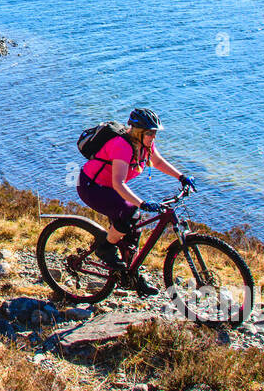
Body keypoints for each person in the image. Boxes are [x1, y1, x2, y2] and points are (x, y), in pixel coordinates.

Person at [76, 107, 195, 291]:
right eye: (150, 133)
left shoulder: (146, 145)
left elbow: (158, 162)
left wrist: (182, 177)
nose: (153, 136)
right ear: (139, 132)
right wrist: (142, 203)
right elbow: (118, 183)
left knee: (134, 230)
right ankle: (105, 248)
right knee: (130, 212)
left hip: (108, 186)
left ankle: (132, 276)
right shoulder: (122, 146)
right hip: (92, 186)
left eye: (155, 133)